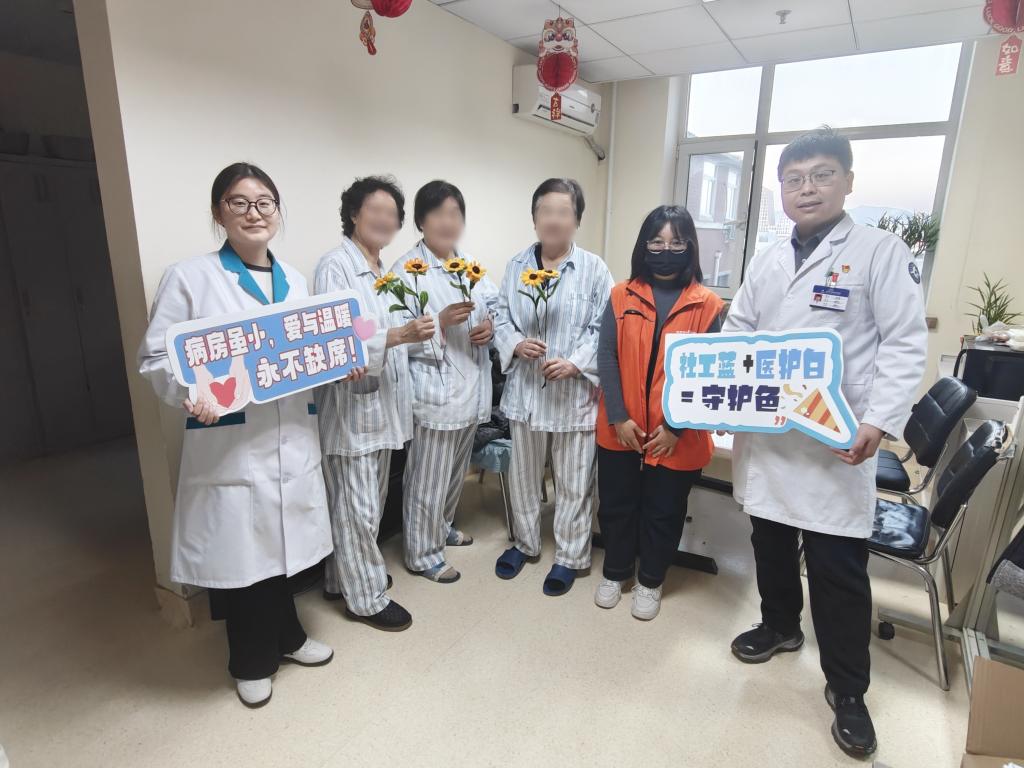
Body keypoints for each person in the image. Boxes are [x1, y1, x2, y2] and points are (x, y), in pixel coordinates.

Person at [723, 127, 927, 757]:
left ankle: (848, 690)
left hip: (838, 440)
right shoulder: (768, 259)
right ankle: (780, 625)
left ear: (847, 181)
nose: (806, 188)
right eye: (794, 179)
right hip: (770, 435)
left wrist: (879, 421)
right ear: (781, 189)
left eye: (821, 175)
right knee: (770, 544)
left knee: (838, 571)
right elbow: (738, 330)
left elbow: (904, 342)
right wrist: (719, 396)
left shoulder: (878, 251)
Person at [138, 162, 334, 708]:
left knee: (281, 546)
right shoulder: (190, 277)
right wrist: (189, 391)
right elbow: (156, 358)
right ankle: (249, 659)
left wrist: (340, 363)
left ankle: (289, 637)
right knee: (245, 554)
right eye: (239, 202)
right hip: (232, 442)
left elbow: (310, 353)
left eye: (264, 202)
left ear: (277, 211)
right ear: (218, 212)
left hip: (291, 432)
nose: (254, 213)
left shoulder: (294, 280)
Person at [314, 175, 434, 632]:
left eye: (392, 214)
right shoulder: (336, 267)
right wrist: (400, 335)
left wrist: (416, 332)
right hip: (352, 412)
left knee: (361, 504)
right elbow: (335, 342)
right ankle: (365, 599)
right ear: (353, 214)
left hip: (382, 409)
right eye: (375, 210)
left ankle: (339, 579)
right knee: (359, 510)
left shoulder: (383, 272)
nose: (385, 220)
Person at [594, 205, 723, 620]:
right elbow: (607, 356)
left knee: (663, 510)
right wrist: (618, 416)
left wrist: (675, 427)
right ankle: (616, 572)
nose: (665, 251)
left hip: (677, 433)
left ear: (690, 247)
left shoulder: (709, 305)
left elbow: (710, 373)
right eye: (656, 242)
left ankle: (650, 579)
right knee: (616, 504)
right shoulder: (621, 294)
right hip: (621, 426)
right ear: (643, 246)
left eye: (676, 243)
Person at [492, 178, 613, 596]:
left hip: (572, 395)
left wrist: (576, 362)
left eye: (564, 212)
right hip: (527, 392)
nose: (554, 220)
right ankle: (525, 543)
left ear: (576, 220)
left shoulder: (595, 269)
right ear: (534, 218)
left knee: (575, 480)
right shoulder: (516, 266)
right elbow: (501, 315)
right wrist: (514, 343)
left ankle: (570, 556)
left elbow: (604, 326)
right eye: (546, 211)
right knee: (524, 475)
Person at [390, 180, 499, 583]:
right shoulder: (406, 271)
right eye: (438, 213)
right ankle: (422, 553)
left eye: (455, 214)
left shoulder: (468, 264)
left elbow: (496, 306)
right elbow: (396, 335)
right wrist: (440, 322)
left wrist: (490, 326)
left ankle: (442, 526)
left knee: (454, 471)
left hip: (471, 388)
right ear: (421, 221)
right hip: (434, 392)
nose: (448, 222)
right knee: (427, 478)